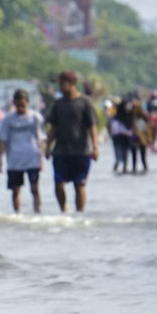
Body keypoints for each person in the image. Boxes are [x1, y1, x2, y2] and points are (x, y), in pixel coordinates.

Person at [45, 70, 99, 212]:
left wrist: (95, 147)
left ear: (71, 84)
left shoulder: (85, 102)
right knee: (58, 184)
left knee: (79, 185)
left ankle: (80, 214)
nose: (60, 87)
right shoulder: (58, 104)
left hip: (81, 151)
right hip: (61, 151)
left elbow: (92, 126)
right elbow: (53, 128)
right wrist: (47, 146)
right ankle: (64, 211)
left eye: (62, 84)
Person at [0, 89, 45, 213]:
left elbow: (40, 139)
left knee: (34, 189)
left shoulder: (35, 118)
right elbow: (2, 140)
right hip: (14, 160)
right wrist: (0, 160)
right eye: (17, 105)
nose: (20, 108)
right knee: (15, 190)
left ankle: (37, 212)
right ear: (14, 103)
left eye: (22, 105)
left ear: (27, 102)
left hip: (32, 158)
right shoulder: (8, 119)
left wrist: (41, 159)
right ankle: (17, 214)